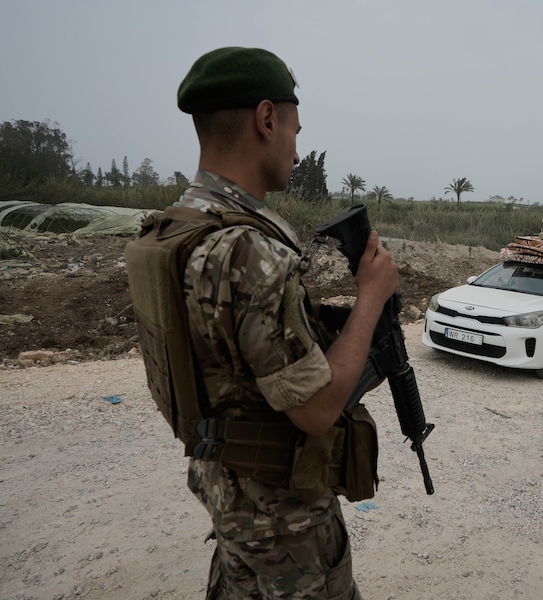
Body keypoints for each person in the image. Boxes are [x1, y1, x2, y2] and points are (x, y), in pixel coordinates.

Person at [129, 47, 399, 598]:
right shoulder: (250, 252)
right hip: (284, 521)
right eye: (295, 132)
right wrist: (371, 297)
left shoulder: (173, 232)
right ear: (266, 120)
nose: (297, 152)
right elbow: (318, 410)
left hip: (225, 492)